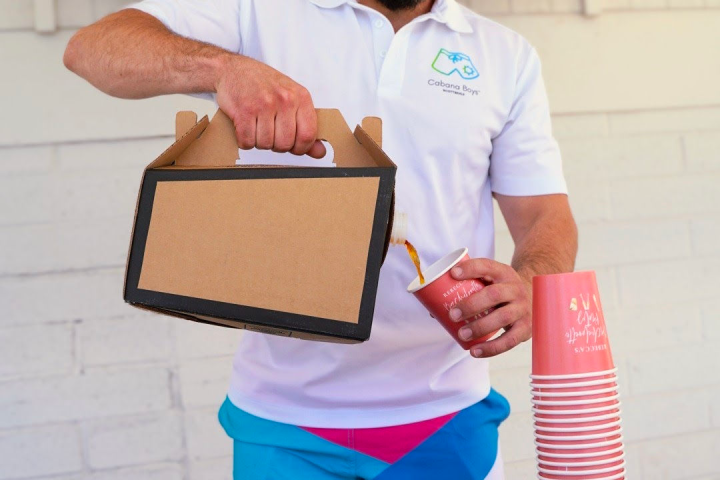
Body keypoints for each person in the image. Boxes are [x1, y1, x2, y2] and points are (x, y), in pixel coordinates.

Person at [63, 1, 578, 478]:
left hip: (443, 415)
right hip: (282, 419)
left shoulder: (503, 54)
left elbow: (543, 214)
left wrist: (534, 282)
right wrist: (223, 70)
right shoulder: (259, 11)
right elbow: (93, 49)